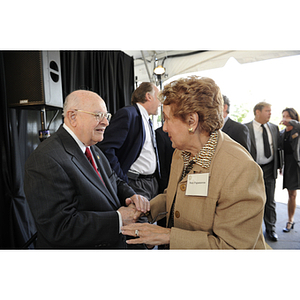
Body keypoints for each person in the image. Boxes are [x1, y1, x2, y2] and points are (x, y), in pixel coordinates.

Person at [121, 76, 267, 249]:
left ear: (192, 121)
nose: (164, 127)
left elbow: (233, 248)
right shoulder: (181, 152)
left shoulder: (241, 170)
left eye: (167, 119)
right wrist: (143, 210)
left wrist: (169, 236)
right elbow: (173, 196)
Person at [24, 90, 150, 249]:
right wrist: (118, 219)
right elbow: (60, 228)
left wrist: (132, 196)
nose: (106, 122)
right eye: (98, 115)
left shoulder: (92, 148)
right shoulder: (45, 158)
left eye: (106, 116)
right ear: (72, 117)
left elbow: (113, 181)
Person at [97, 82, 161, 202]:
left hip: (151, 183)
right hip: (135, 184)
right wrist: (121, 179)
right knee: (139, 221)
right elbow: (105, 148)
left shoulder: (148, 120)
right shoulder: (128, 114)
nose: (160, 103)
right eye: (158, 97)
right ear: (149, 96)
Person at [245, 102, 280, 242]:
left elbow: (279, 148)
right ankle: (252, 231)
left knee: (270, 201)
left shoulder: (274, 128)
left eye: (270, 111)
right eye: (267, 111)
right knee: (252, 200)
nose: (270, 113)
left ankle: (271, 229)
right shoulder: (245, 128)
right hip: (253, 169)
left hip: (270, 168)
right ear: (257, 112)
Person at [279, 108, 300, 232]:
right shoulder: (282, 133)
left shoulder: (298, 129)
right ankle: (290, 221)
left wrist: (290, 122)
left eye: (288, 116)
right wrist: (281, 166)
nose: (285, 118)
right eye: (283, 116)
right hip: (289, 166)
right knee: (291, 195)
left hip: (298, 164)